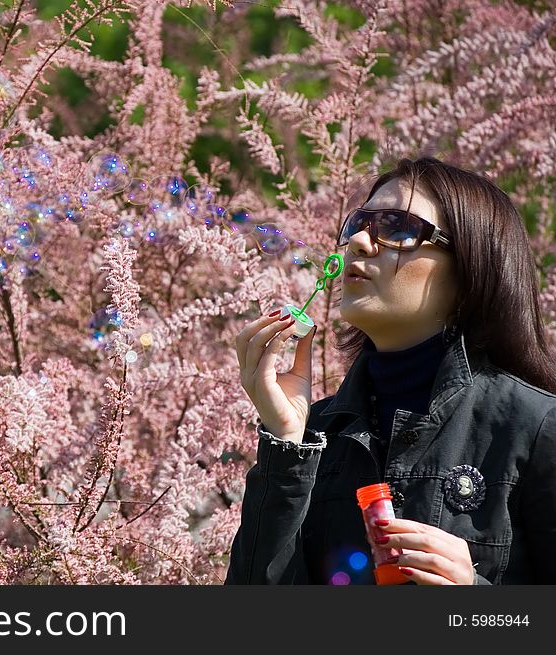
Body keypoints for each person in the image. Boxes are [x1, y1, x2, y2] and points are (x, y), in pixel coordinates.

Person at [225, 157, 556, 585]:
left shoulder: (536, 427)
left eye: (397, 228)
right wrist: (286, 443)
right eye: (358, 224)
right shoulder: (317, 433)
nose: (359, 242)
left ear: (471, 267)